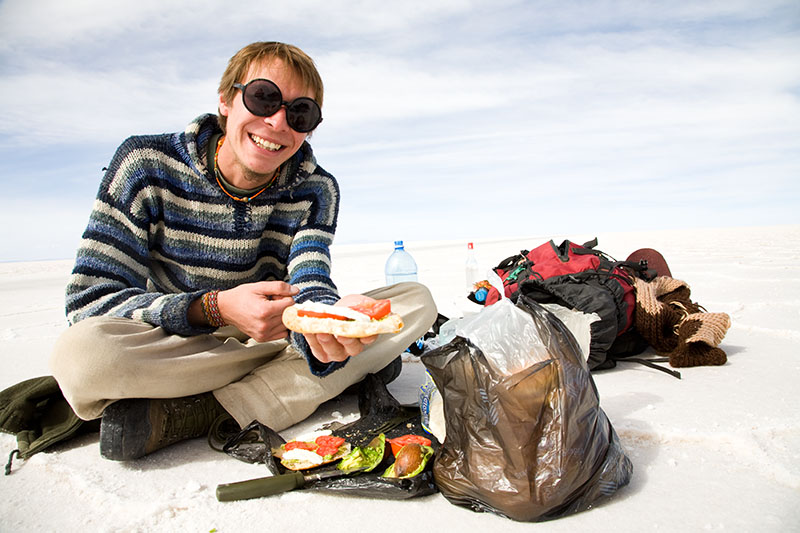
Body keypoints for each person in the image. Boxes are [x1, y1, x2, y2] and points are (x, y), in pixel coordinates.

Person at [49, 41, 437, 461]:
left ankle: (205, 411)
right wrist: (214, 309)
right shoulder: (145, 165)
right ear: (225, 100)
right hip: (178, 341)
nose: (277, 122)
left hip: (273, 337)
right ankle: (319, 380)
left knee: (416, 303)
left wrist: (330, 321)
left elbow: (310, 279)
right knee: (82, 357)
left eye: (300, 112)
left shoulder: (316, 188)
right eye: (263, 97)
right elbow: (90, 302)